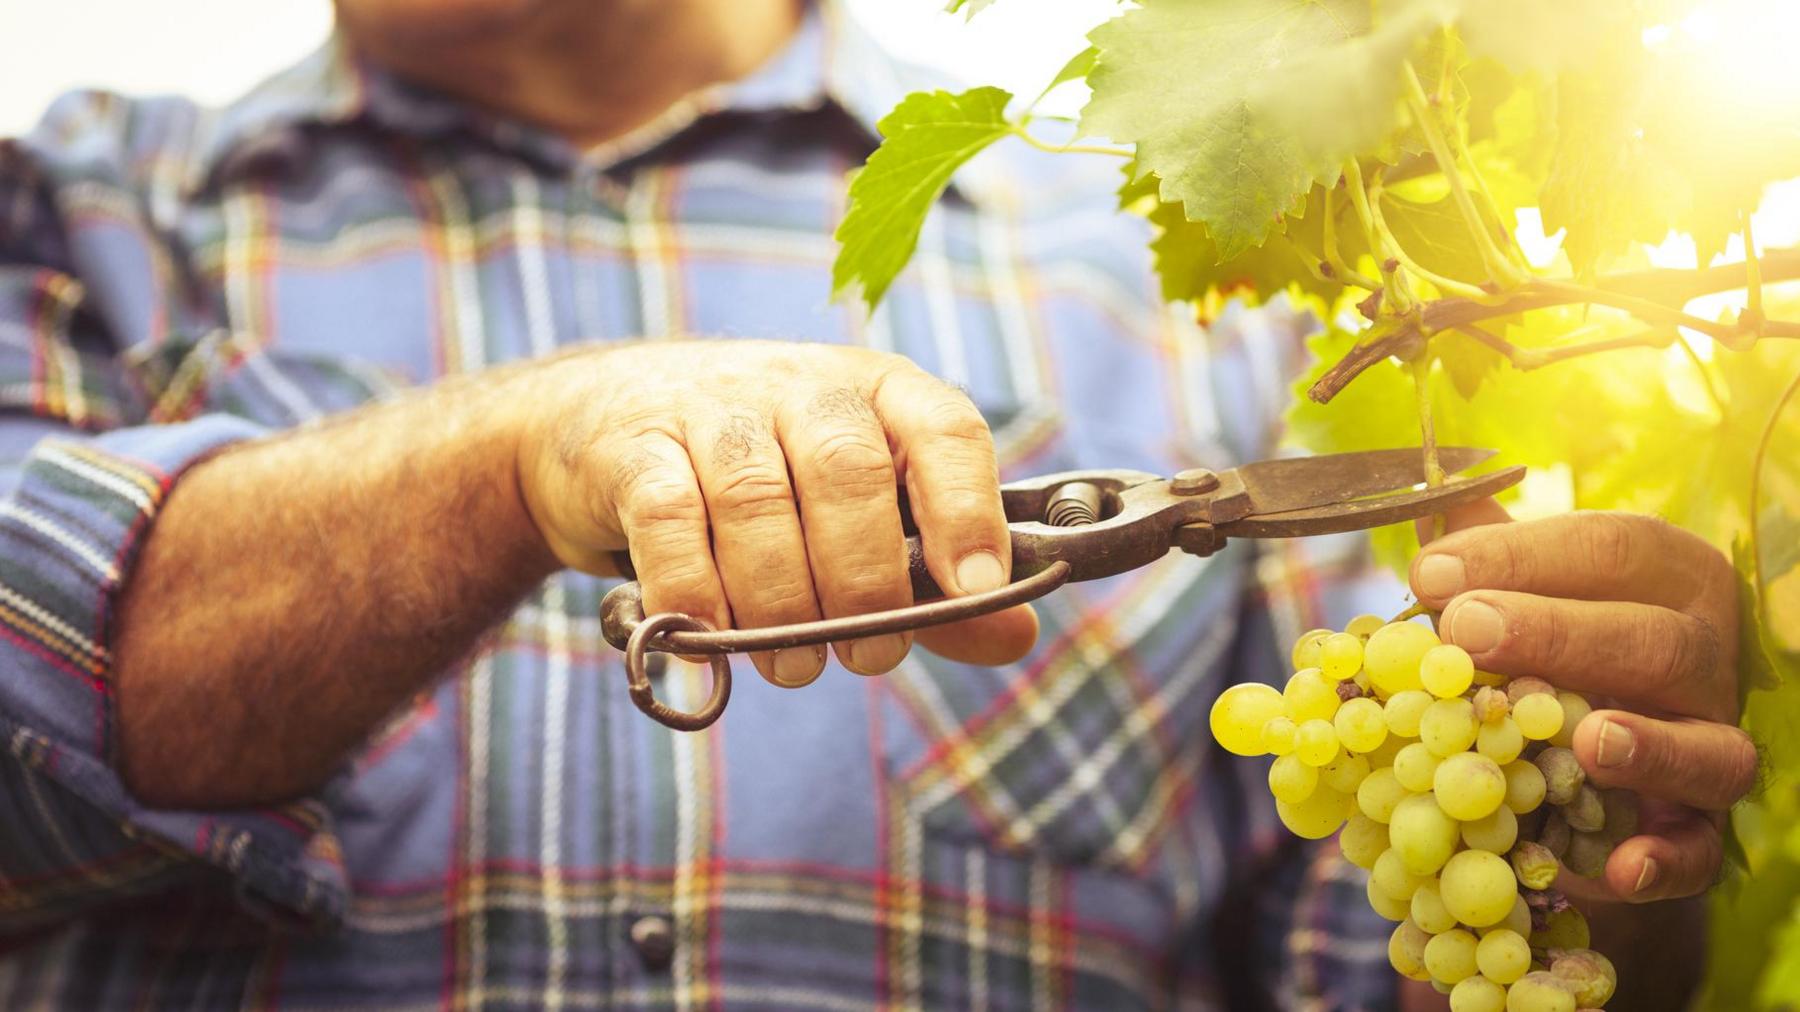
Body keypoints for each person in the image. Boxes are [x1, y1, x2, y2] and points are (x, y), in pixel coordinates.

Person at [0, 0, 1755, 1007]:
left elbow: (1400, 964)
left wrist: (1597, 847)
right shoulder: (71, 214)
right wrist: (503, 461)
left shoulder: (1189, 291)